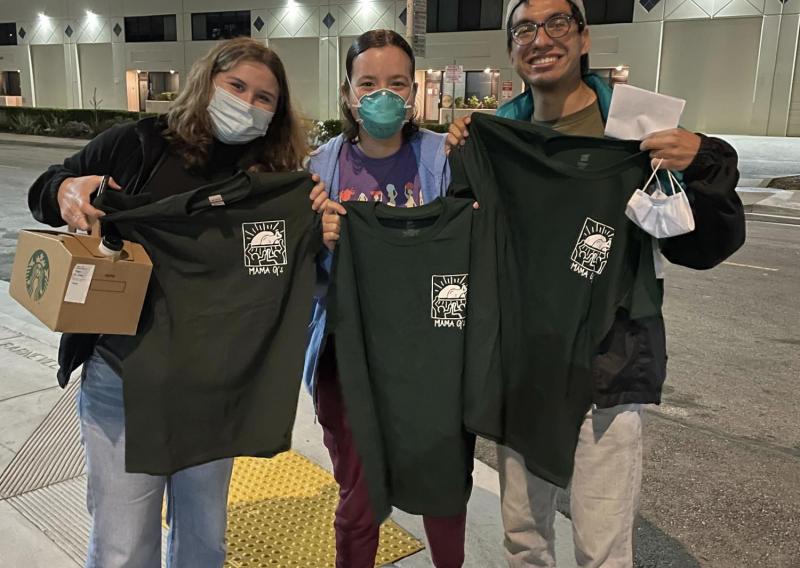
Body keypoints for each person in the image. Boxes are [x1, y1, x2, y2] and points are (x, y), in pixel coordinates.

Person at [445, 1, 745, 567]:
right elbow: (462, 237)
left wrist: (702, 158)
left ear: (584, 38)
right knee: (524, 537)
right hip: (522, 364)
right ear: (512, 48)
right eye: (525, 29)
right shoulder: (500, 133)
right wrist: (464, 156)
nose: (541, 38)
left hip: (609, 358)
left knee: (603, 548)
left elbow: (706, 246)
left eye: (557, 23)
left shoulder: (638, 126)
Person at [27, 37, 327, 568]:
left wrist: (316, 229)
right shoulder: (138, 145)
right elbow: (45, 189)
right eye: (236, 86)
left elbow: (294, 279)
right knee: (124, 549)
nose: (248, 104)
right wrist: (65, 190)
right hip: (124, 380)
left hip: (216, 389)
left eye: (264, 98)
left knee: (204, 544)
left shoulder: (272, 185)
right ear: (207, 81)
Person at [307, 29, 468, 568]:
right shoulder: (319, 166)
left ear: (414, 90)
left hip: (428, 357)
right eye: (369, 83)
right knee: (358, 489)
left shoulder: (441, 158)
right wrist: (313, 237)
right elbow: (284, 264)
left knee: (440, 481)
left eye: (397, 83)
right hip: (345, 352)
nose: (383, 95)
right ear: (348, 92)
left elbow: (463, 255)